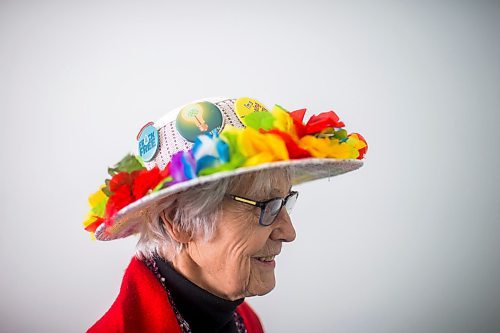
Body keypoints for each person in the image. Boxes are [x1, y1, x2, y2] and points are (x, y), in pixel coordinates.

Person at [83, 97, 368, 333]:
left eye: (284, 202)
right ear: (178, 222)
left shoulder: (244, 319)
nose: (289, 232)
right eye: (266, 205)